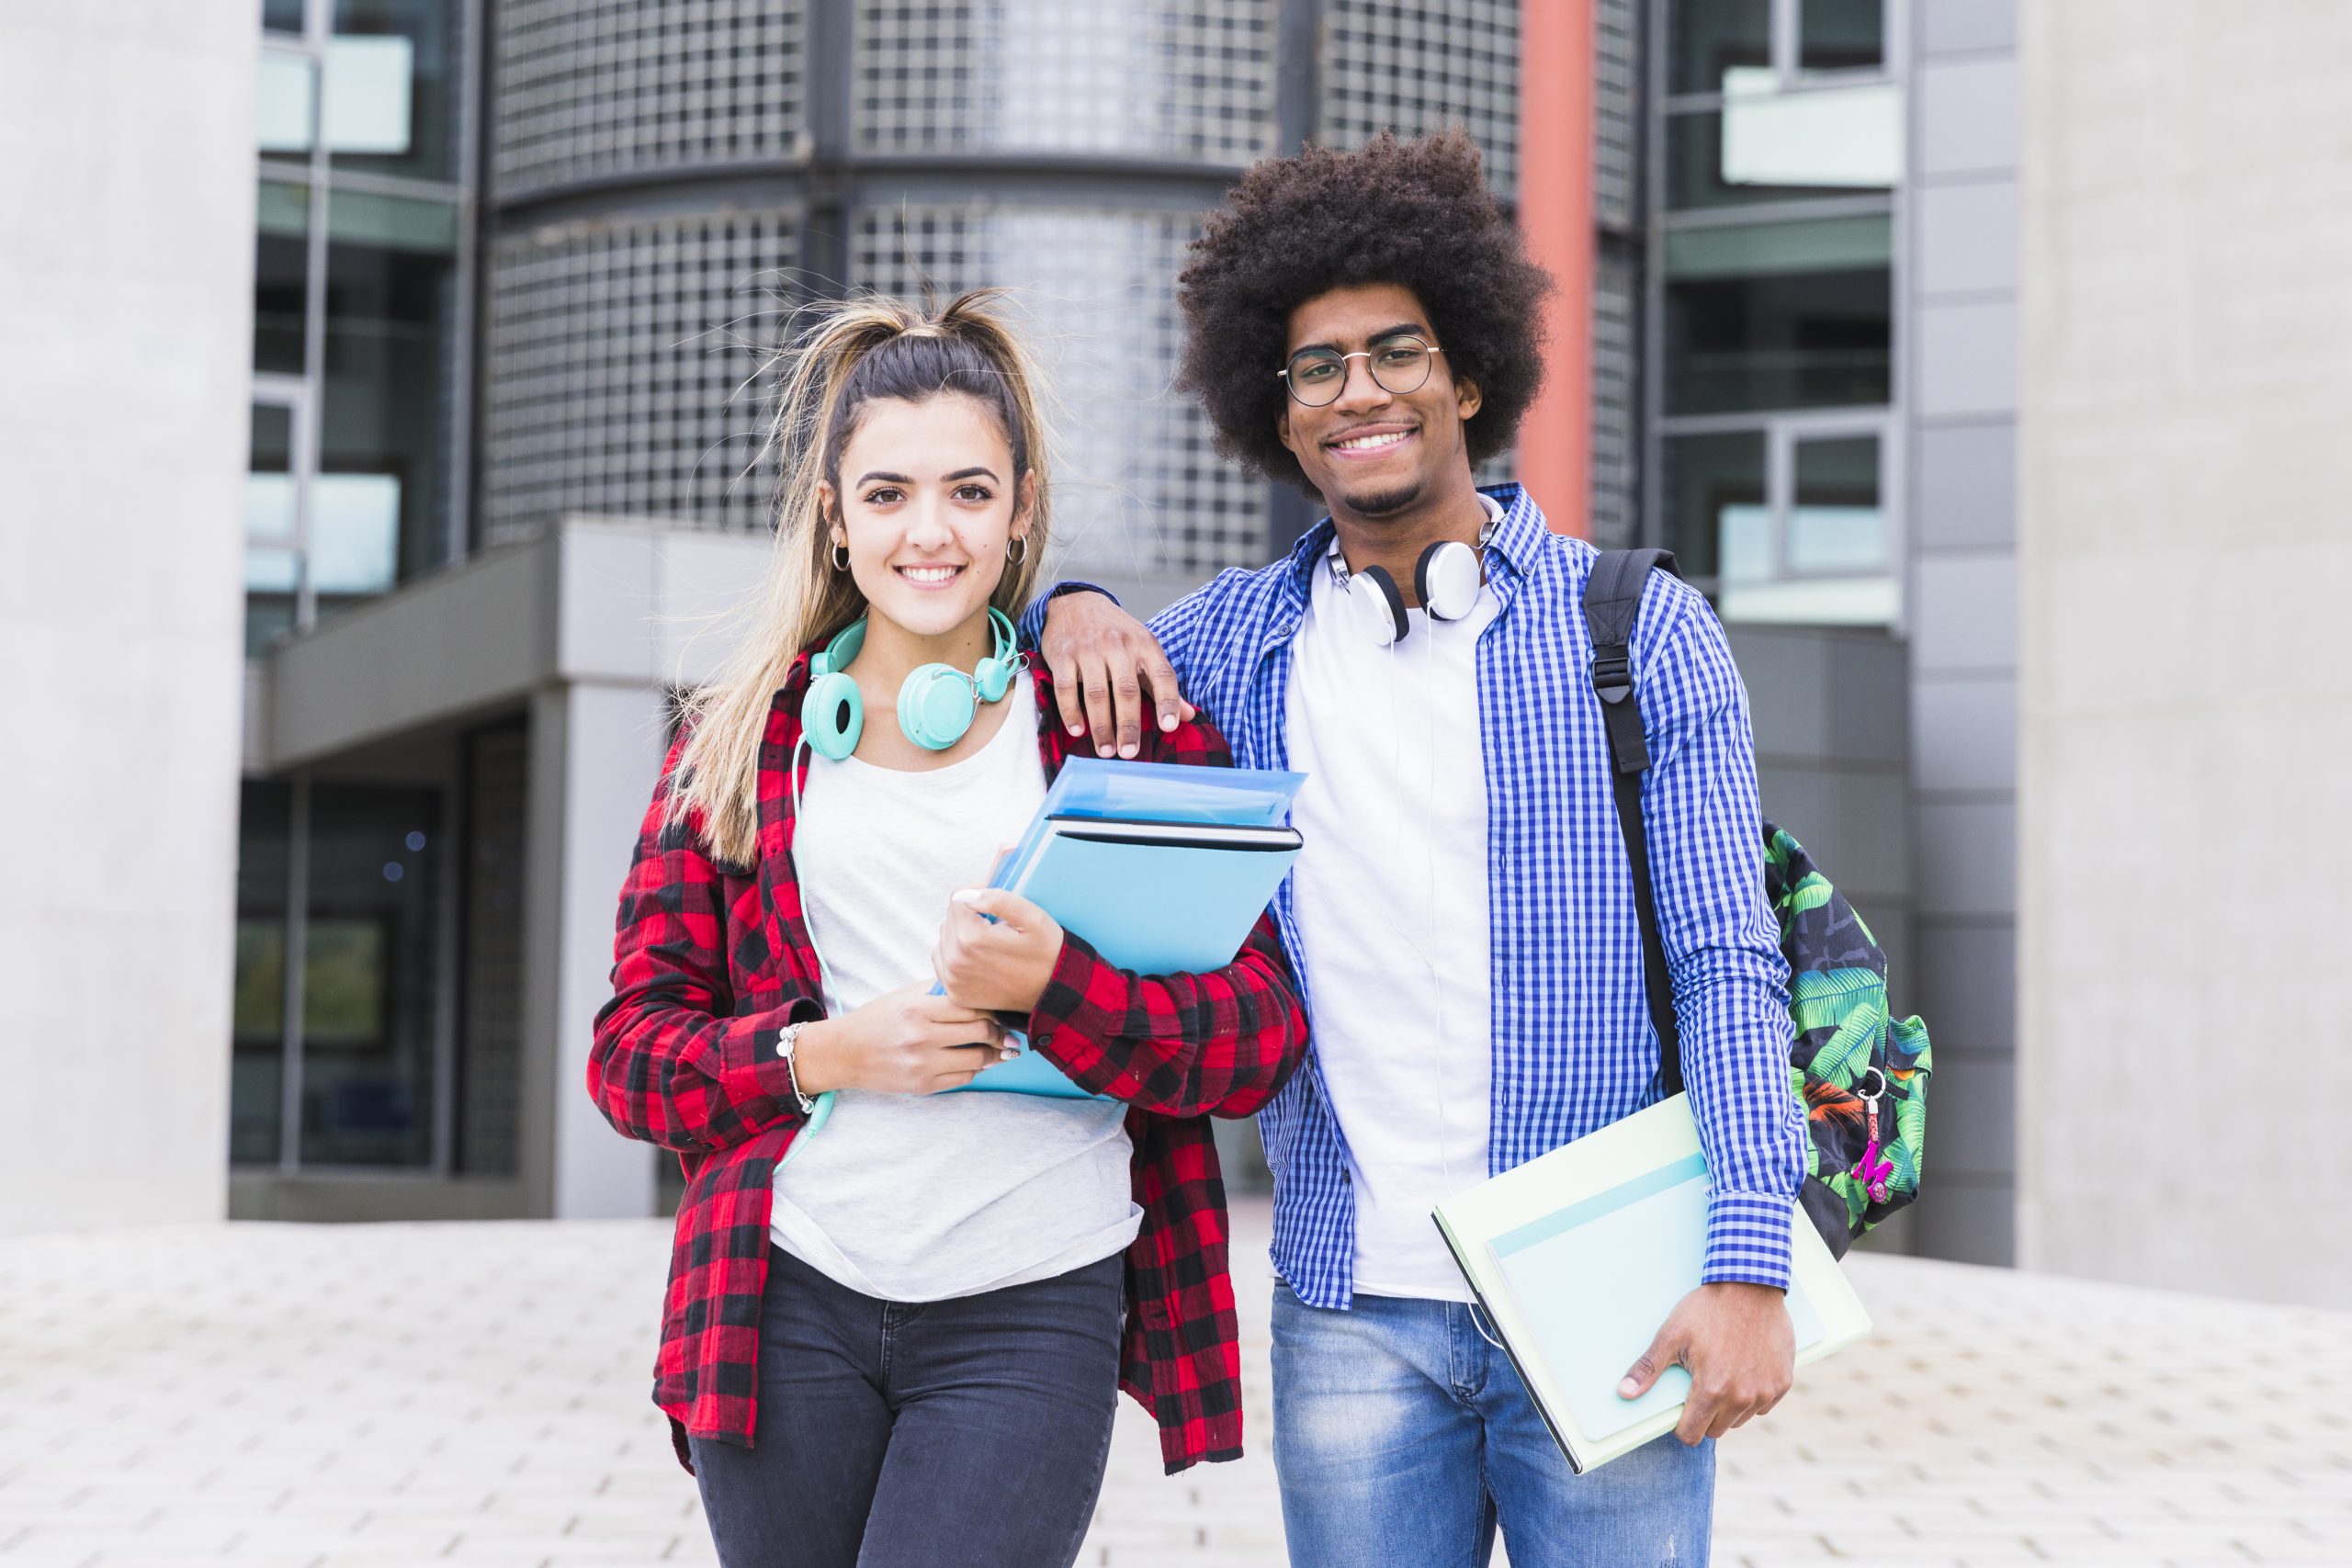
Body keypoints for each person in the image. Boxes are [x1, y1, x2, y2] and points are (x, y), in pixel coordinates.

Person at [1025, 130, 1811, 1567]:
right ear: (1277, 406)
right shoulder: (1227, 651)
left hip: (1607, 1290)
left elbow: (1727, 964)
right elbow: (1002, 666)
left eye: (1396, 351)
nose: (1358, 392)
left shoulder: (1635, 634)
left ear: (1466, 375)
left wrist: (1750, 1267)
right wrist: (1069, 600)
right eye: (1316, 366)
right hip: (1351, 1314)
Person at [587, 289, 1310, 1568]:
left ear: (1023, 508)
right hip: (782, 1292)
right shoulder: (735, 746)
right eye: (889, 495)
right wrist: (820, 1056)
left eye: (970, 493)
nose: (932, 532)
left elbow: (1259, 1038)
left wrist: (1063, 987)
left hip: (1033, 1301)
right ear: (834, 519)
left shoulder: (1118, 722)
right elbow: (631, 1057)